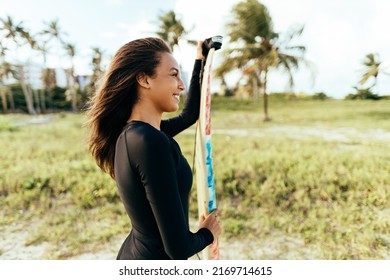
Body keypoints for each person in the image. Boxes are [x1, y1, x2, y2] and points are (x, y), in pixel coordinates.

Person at [86, 37, 221, 260]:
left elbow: (190, 115)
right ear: (144, 79)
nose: (181, 85)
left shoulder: (137, 134)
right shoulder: (148, 141)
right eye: (173, 74)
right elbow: (178, 249)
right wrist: (208, 233)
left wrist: (201, 60)